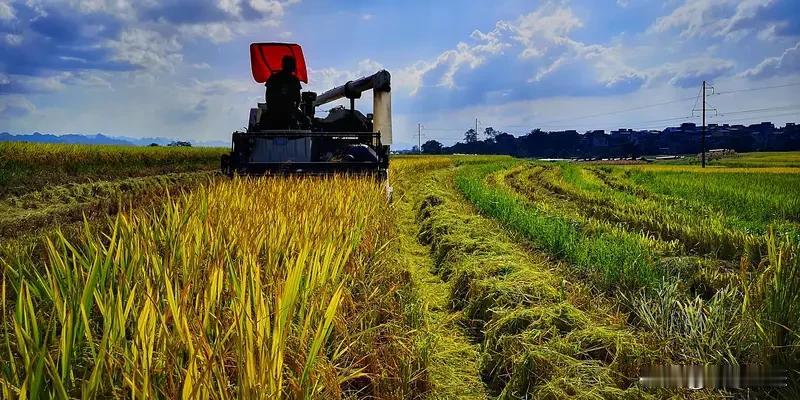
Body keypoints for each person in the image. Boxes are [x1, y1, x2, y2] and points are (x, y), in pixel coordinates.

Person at [263, 55, 302, 129]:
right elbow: (298, 99)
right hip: (285, 111)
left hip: (276, 110)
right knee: (306, 122)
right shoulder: (294, 79)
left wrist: (271, 109)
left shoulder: (274, 77)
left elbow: (268, 96)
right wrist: (295, 110)